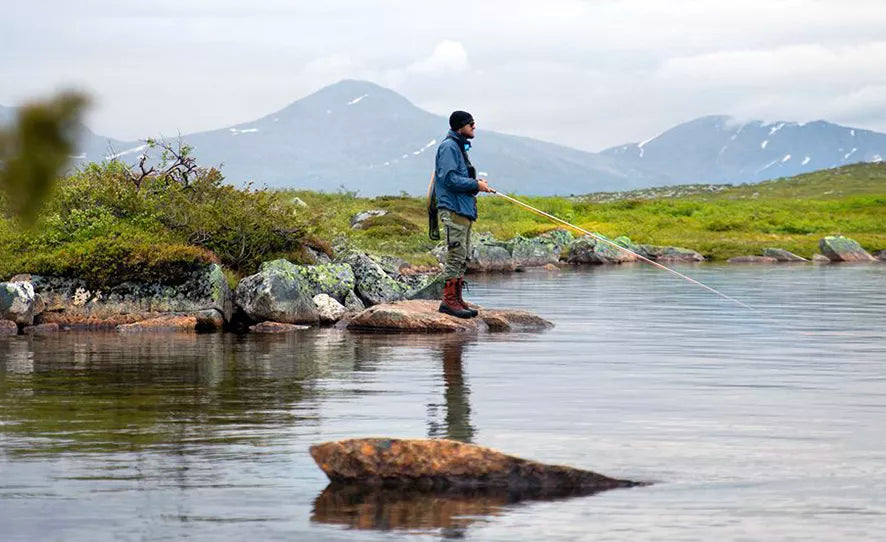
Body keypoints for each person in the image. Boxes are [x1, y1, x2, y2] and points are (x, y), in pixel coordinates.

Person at [434, 110, 493, 318]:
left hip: (463, 208)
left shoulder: (458, 146)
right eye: (471, 124)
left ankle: (457, 299)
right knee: (456, 254)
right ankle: (449, 302)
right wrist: (476, 184)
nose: (474, 127)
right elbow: (449, 179)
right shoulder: (449, 147)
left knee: (463, 255)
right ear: (461, 126)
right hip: (453, 208)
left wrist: (476, 186)